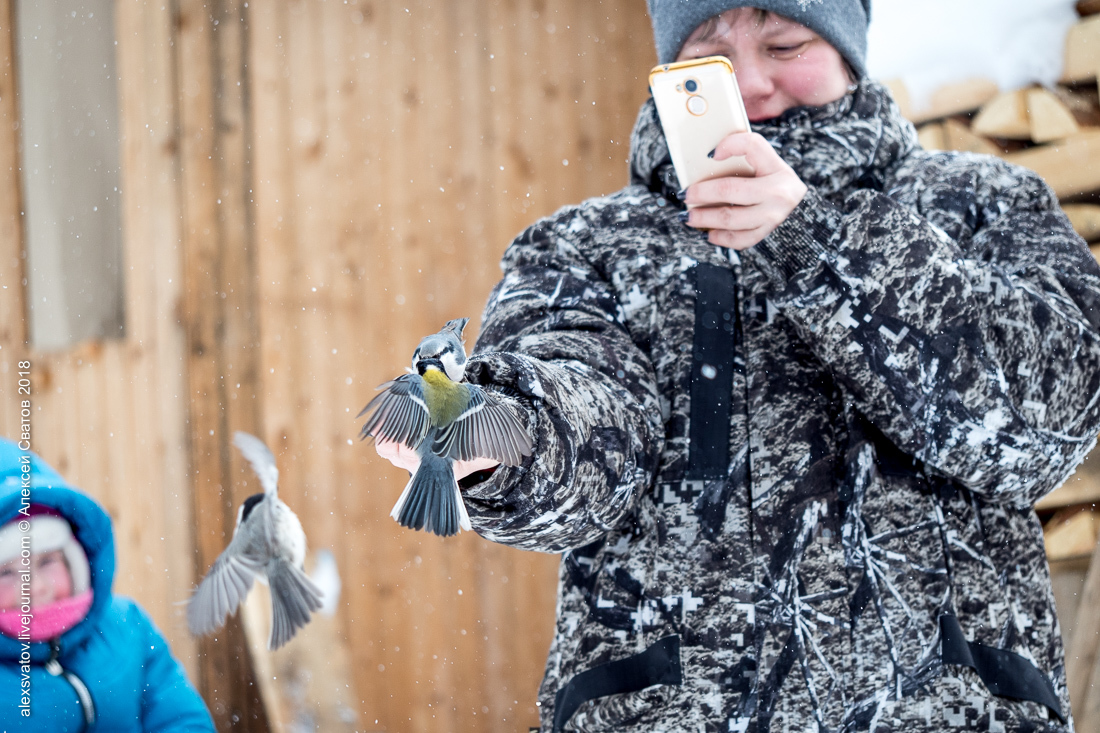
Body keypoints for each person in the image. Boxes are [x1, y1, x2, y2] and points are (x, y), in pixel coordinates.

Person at [376, 2, 1100, 730]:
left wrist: (820, 243)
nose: (750, 83)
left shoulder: (983, 204)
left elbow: (1049, 421)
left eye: (785, 44)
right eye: (708, 51)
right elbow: (590, 414)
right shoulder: (585, 245)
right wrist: (508, 433)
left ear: (850, 50)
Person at [0, 438, 215, 731]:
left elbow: (181, 719)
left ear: (73, 560)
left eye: (47, 562)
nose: (35, 588)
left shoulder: (126, 626)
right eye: (7, 574)